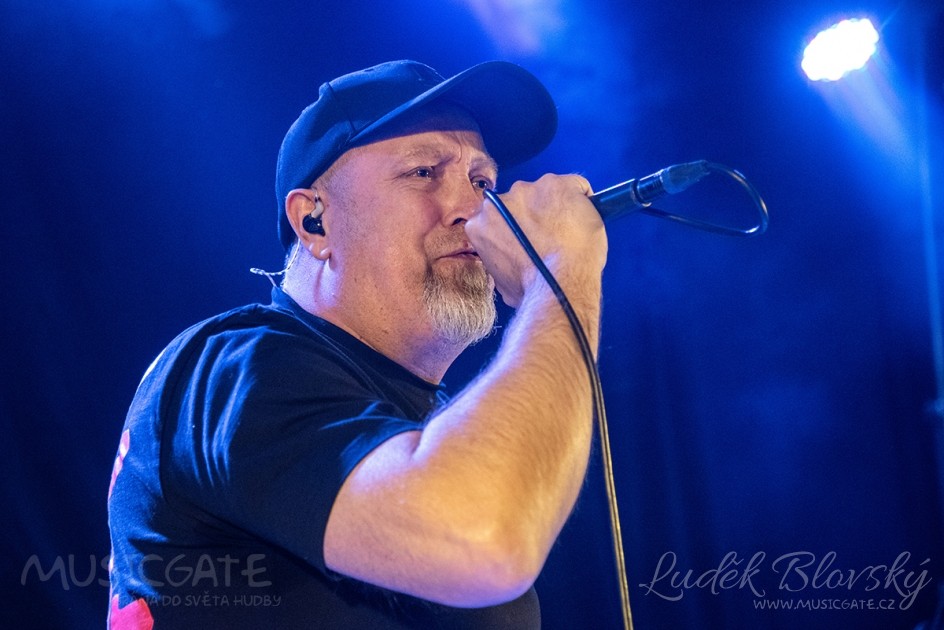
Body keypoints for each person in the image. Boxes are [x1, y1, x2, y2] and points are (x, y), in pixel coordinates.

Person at [107, 59, 607, 628]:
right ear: (314, 221)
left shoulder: (444, 429)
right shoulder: (236, 369)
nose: (473, 211)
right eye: (423, 172)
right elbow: (483, 540)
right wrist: (560, 277)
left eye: (482, 182)